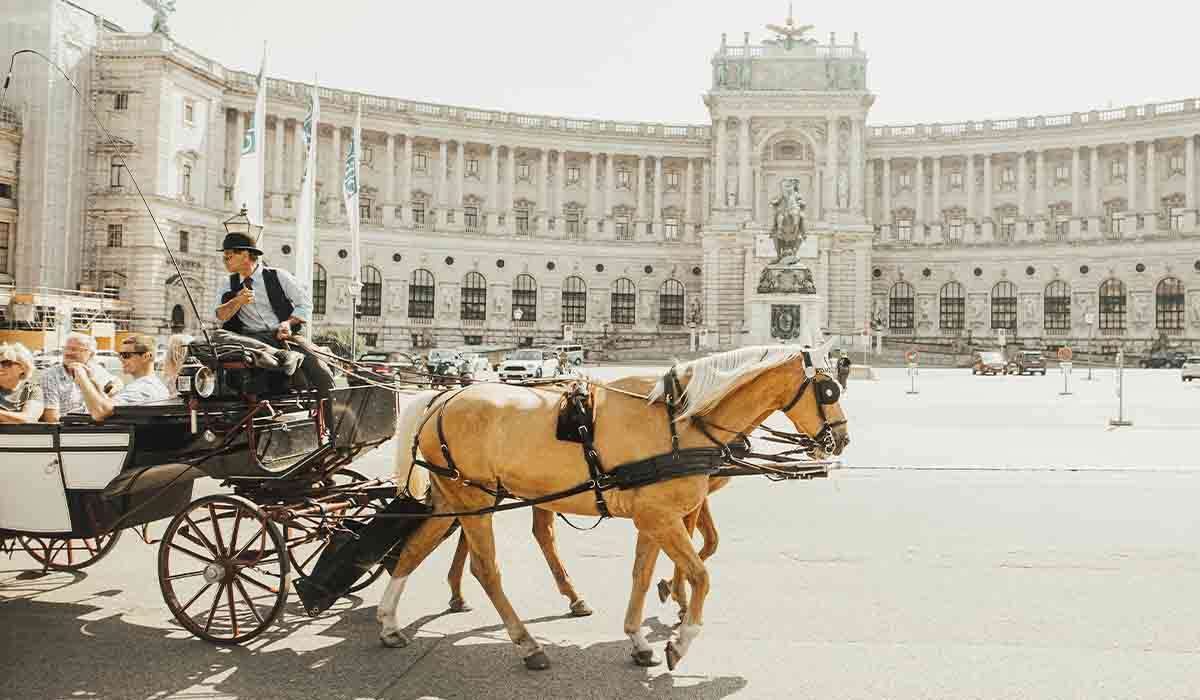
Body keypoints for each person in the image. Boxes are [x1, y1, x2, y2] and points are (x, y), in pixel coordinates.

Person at [212, 232, 333, 395]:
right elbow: (220, 315)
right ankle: (283, 356)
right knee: (218, 336)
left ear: (246, 255)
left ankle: (330, 414)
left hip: (284, 337)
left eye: (229, 256)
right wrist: (237, 301)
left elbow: (305, 305)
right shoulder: (227, 283)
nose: (225, 261)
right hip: (251, 340)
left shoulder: (278, 276)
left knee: (322, 373)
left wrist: (288, 323)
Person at [73, 334, 169, 422]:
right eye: (120, 355)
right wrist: (92, 381)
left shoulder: (144, 388)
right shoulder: (153, 385)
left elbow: (100, 411)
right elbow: (104, 405)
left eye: (126, 355)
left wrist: (83, 379)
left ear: (146, 356)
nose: (121, 359)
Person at [40, 332, 123, 423]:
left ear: (90, 354)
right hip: (68, 430)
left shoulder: (95, 370)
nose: (68, 353)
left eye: (74, 349)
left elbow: (117, 381)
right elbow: (52, 419)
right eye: (66, 348)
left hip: (98, 427)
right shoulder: (51, 376)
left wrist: (112, 389)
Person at [0, 342, 44, 423]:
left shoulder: (32, 390)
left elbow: (28, 419)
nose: (0, 367)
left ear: (23, 367)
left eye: (6, 363)